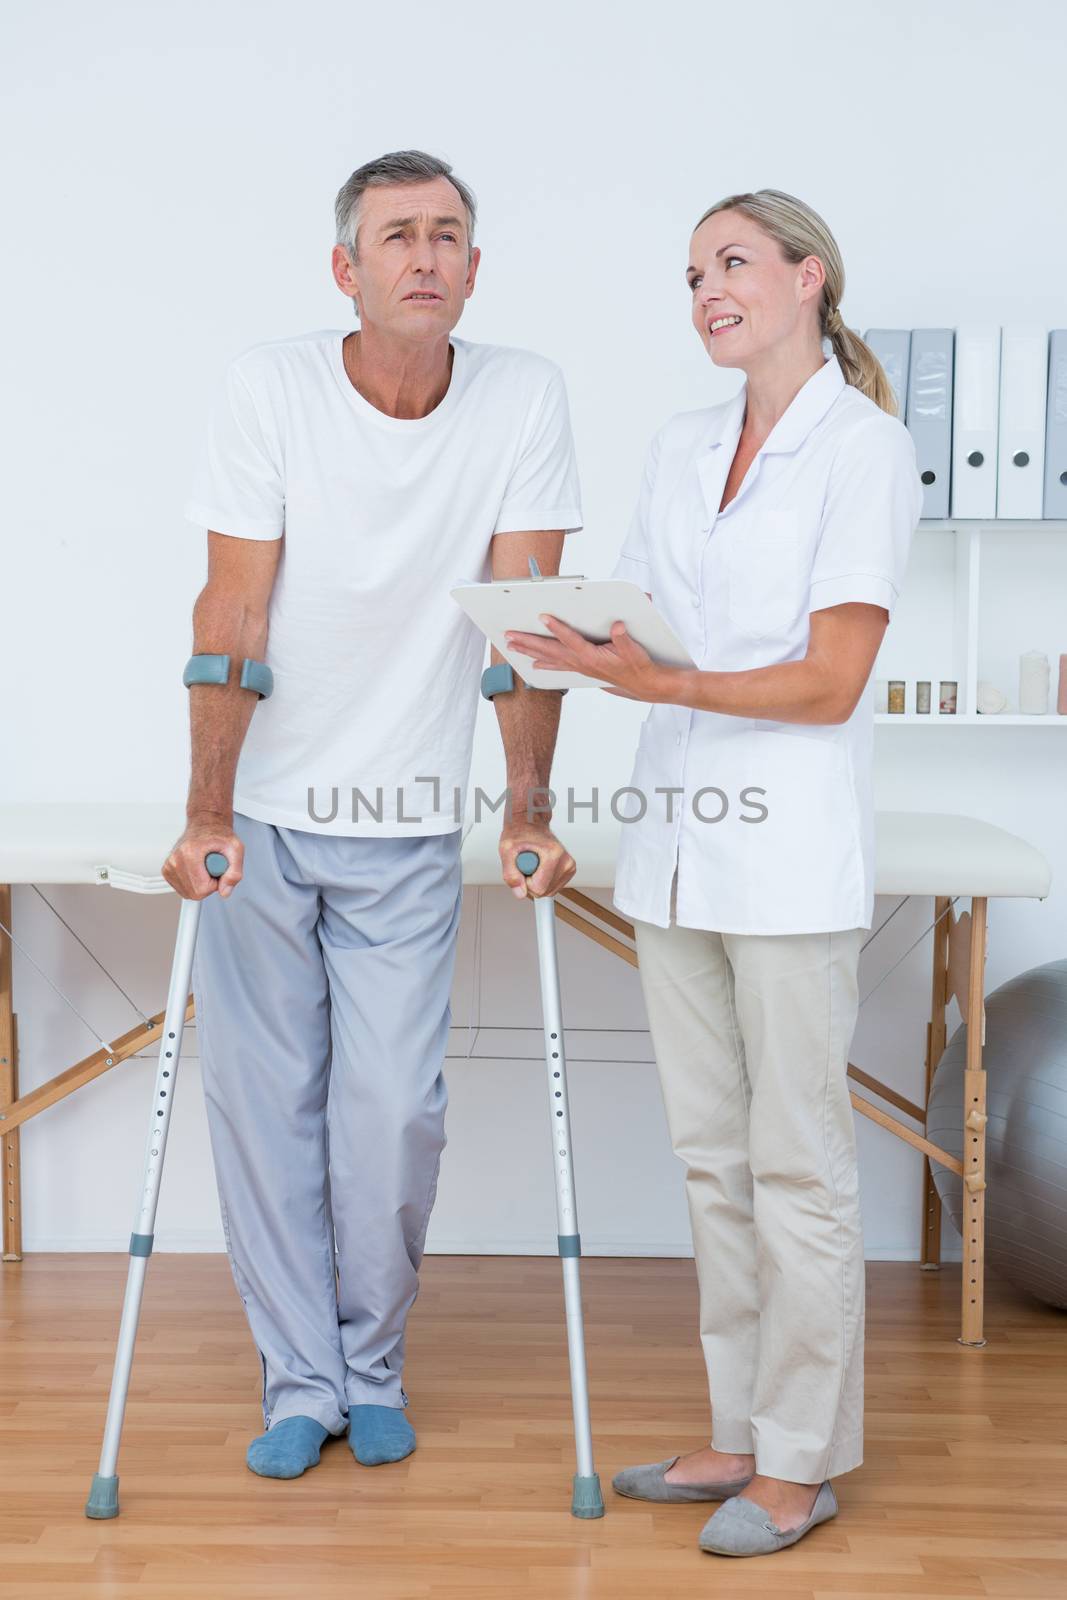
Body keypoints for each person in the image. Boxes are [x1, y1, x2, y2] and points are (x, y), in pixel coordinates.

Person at [504, 188, 923, 1557]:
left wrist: (663, 674)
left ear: (811, 278)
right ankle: (738, 1431)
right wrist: (553, 632)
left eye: (734, 264)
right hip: (674, 851)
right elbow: (648, 621)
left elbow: (832, 677)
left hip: (790, 860)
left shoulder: (863, 451)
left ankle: (802, 1463)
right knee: (710, 1161)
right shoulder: (686, 445)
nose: (708, 291)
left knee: (797, 1162)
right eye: (693, 274)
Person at [163, 149, 580, 1482]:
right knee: (267, 1105)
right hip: (270, 820)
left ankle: (371, 1363)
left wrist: (529, 803)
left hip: (404, 821)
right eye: (397, 235)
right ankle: (300, 1383)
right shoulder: (270, 388)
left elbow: (528, 630)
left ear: (473, 265)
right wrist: (206, 808)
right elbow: (231, 613)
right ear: (347, 268)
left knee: (392, 1111)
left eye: (449, 233)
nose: (425, 255)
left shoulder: (523, 396)